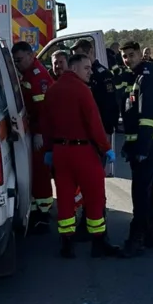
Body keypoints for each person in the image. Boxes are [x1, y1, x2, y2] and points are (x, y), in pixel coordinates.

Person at [39, 52, 121, 258]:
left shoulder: (52, 89)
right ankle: (98, 242)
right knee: (95, 197)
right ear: (73, 69)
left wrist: (49, 150)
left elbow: (46, 125)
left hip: (60, 153)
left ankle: (66, 243)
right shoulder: (83, 90)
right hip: (82, 152)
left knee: (65, 198)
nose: (90, 72)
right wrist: (106, 148)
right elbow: (94, 123)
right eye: (86, 68)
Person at [120, 39, 153, 256]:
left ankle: (136, 237)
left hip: (146, 146)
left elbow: (148, 117)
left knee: (140, 191)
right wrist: (130, 144)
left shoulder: (146, 78)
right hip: (139, 145)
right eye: (124, 56)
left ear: (140, 54)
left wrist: (142, 149)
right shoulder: (135, 76)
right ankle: (151, 233)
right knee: (147, 189)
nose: (128, 60)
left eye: (131, 55)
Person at [11, 40, 55, 233]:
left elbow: (44, 110)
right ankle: (38, 208)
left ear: (30, 55)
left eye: (20, 60)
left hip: (41, 132)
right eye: (15, 61)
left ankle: (44, 214)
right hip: (34, 129)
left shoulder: (39, 78)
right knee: (35, 172)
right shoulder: (28, 74)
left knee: (41, 173)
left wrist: (38, 133)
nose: (17, 64)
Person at [73, 36, 120, 137]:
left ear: (90, 52)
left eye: (81, 56)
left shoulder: (103, 74)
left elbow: (110, 103)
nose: (78, 60)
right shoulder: (74, 74)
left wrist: (107, 128)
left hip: (100, 128)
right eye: (75, 57)